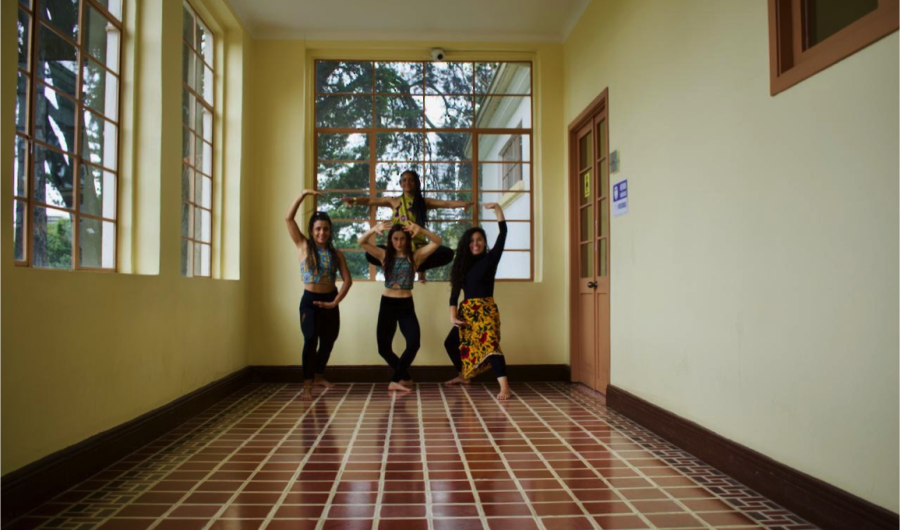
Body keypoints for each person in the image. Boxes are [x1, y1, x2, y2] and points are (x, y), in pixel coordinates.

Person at [358, 220, 443, 392]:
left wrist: (421, 230)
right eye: (395, 239)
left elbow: (437, 242)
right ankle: (405, 378)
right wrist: (374, 229)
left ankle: (394, 380)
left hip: (406, 305)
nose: (399, 243)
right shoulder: (383, 255)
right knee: (383, 348)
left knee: (413, 343)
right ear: (390, 240)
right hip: (387, 303)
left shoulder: (415, 256)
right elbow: (362, 242)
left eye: (402, 239)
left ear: (408, 239)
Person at [285, 190, 353, 401]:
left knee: (328, 341)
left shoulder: (336, 254)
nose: (322, 232)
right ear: (312, 231)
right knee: (310, 339)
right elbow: (288, 218)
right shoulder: (303, 246)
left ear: (330, 231)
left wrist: (336, 301)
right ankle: (307, 385)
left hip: (330, 302)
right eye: (318, 229)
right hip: (310, 302)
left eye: (325, 229)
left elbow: (347, 280)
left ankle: (319, 376)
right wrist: (303, 195)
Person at [343, 169, 470, 280]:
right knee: (369, 254)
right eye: (404, 180)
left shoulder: (423, 202)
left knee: (447, 253)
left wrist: (462, 204)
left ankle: (419, 267)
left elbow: (445, 204)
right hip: (398, 246)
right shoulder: (393, 201)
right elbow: (370, 200)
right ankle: (399, 265)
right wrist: (354, 200)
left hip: (418, 247)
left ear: (416, 183)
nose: (407, 183)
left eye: (411, 180)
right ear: (400, 184)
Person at [443, 203, 511, 400]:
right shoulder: (461, 265)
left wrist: (498, 211)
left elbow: (503, 234)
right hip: (467, 312)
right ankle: (464, 376)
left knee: (490, 345)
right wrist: (453, 315)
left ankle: (505, 387)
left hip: (486, 310)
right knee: (450, 343)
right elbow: (455, 293)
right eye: (472, 240)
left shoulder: (490, 260)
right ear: (467, 244)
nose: (476, 243)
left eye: (479, 240)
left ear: (484, 242)